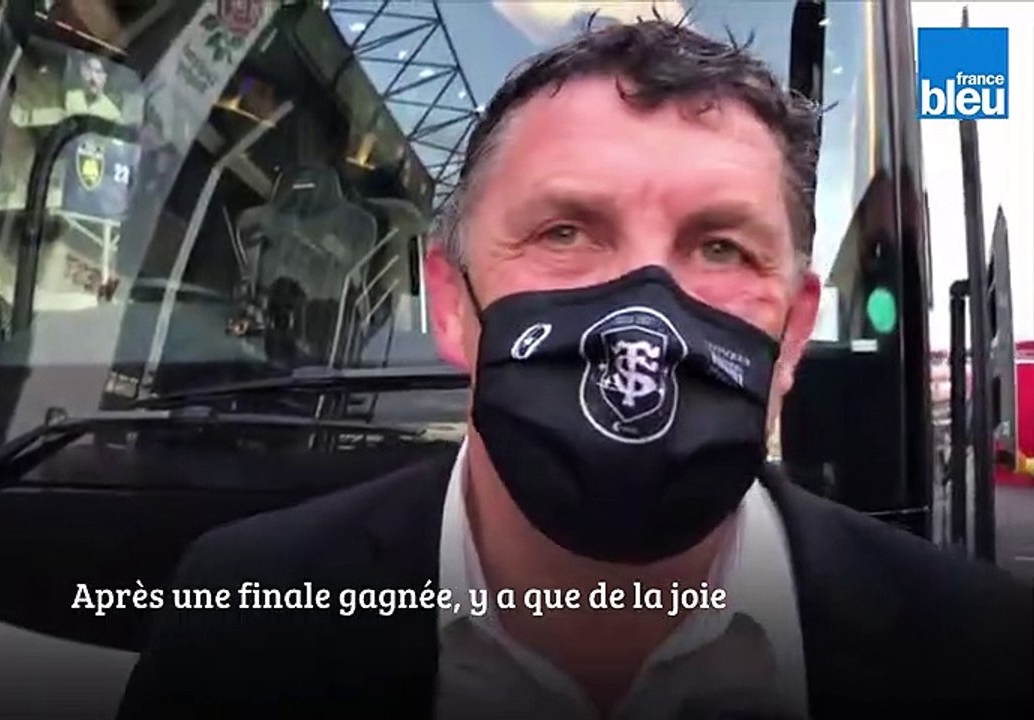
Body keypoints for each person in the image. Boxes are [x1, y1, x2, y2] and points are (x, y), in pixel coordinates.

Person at [117, 20, 1033, 719]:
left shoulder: (982, 653)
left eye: (719, 248)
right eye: (564, 233)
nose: (642, 315)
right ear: (450, 302)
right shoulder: (238, 618)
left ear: (791, 334)